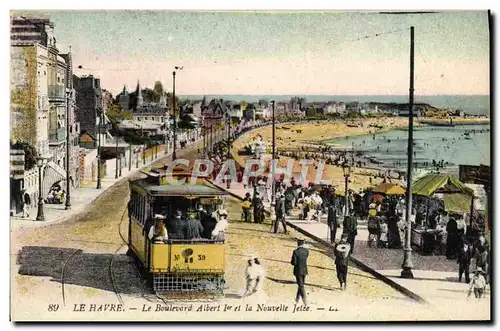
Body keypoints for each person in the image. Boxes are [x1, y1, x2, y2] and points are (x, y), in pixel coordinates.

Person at [290, 238, 309, 306]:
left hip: (298, 271)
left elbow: (294, 263)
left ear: (298, 243)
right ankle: (297, 300)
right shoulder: (306, 251)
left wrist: (292, 262)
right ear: (303, 243)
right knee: (301, 285)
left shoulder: (295, 251)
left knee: (301, 286)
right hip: (304, 270)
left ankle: (305, 302)